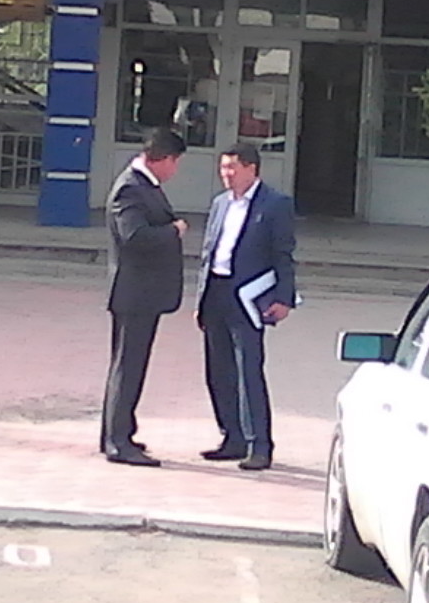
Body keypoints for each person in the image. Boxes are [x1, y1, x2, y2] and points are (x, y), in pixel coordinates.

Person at [198, 142, 297, 471]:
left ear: (251, 169)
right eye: (223, 168)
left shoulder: (275, 204)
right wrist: (201, 300)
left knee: (248, 370)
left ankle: (259, 444)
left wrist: (284, 297)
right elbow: (209, 253)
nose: (226, 174)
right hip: (216, 292)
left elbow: (283, 254)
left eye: (233, 167)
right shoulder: (219, 203)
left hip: (247, 297)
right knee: (218, 370)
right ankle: (232, 437)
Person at [100, 127, 187, 467]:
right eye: (175, 162)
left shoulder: (145, 185)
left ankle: (120, 431)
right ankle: (117, 442)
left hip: (145, 293)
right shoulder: (130, 188)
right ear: (162, 159)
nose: (175, 170)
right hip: (134, 294)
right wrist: (172, 231)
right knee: (127, 366)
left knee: (132, 366)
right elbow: (134, 236)